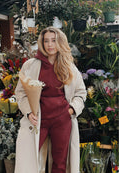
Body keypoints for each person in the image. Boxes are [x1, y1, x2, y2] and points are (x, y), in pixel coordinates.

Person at [14, 26, 87, 173]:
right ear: (42, 43)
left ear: (60, 42)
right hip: (38, 119)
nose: (50, 45)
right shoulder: (30, 65)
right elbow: (20, 93)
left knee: (60, 162)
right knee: (30, 160)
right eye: (46, 41)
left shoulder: (69, 67)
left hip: (62, 119)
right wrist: (28, 112)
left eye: (53, 40)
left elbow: (81, 92)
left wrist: (71, 110)